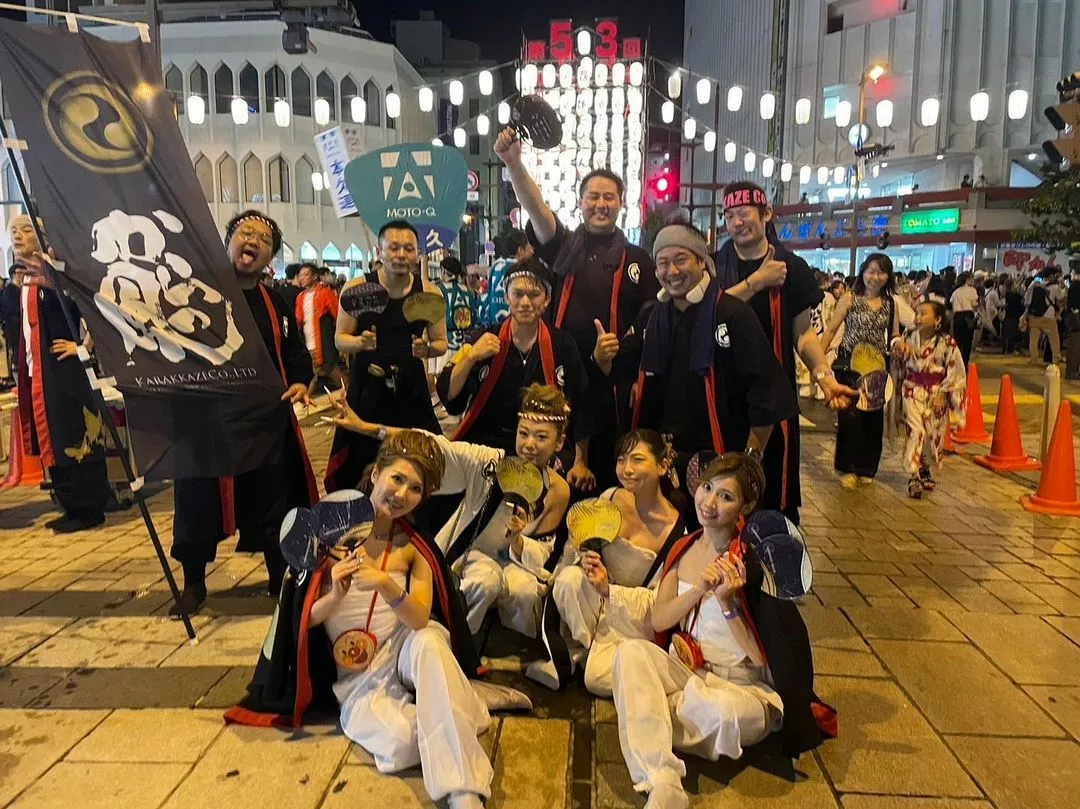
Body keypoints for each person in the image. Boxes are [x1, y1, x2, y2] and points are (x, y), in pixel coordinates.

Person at [226, 430, 490, 809]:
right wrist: (335, 594)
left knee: (432, 641)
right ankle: (456, 711)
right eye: (397, 478)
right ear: (376, 472)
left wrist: (385, 583)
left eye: (415, 488)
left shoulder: (415, 548)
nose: (402, 494)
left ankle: (465, 791)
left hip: (405, 649)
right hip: (359, 678)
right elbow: (302, 622)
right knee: (400, 744)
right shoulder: (326, 535)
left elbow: (419, 618)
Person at [608, 453, 833, 808]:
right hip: (687, 670)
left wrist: (728, 603)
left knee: (724, 715)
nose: (709, 502)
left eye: (725, 496)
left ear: (746, 506)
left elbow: (761, 658)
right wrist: (699, 589)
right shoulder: (683, 546)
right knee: (631, 652)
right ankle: (662, 779)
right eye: (707, 488)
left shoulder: (754, 561)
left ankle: (649, 717)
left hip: (739, 688)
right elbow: (660, 620)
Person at [332, 383, 572, 639]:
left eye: (541, 437)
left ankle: (508, 642)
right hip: (472, 557)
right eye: (523, 433)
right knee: (486, 581)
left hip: (517, 561)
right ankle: (458, 639)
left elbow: (543, 549)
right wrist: (366, 427)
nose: (529, 444)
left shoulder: (558, 490)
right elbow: (430, 444)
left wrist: (518, 541)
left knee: (526, 592)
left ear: (558, 442)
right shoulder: (489, 463)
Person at [598, 223, 798, 526]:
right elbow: (618, 370)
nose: (672, 271)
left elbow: (766, 394)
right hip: (663, 461)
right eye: (663, 263)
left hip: (718, 458)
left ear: (702, 261)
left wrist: (748, 462)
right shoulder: (651, 316)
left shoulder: (732, 314)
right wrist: (601, 356)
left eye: (681, 260)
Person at [495, 126, 660, 492]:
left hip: (613, 382)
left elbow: (650, 320)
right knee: (555, 469)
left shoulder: (638, 259)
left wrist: (622, 362)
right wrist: (513, 163)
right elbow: (537, 208)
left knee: (610, 473)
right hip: (561, 372)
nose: (601, 204)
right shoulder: (563, 247)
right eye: (593, 196)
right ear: (581, 202)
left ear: (621, 203)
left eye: (609, 197)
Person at [171, 211, 318, 615]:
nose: (252, 241)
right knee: (197, 505)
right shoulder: (195, 293)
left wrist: (300, 381)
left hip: (264, 422)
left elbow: (295, 353)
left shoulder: (276, 302)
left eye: (264, 239)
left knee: (274, 502)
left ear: (270, 256)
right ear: (228, 241)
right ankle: (194, 584)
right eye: (245, 232)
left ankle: (279, 577)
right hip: (206, 426)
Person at [711, 182, 856, 522]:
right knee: (719, 487)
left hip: (774, 398)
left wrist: (824, 377)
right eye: (729, 216)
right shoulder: (714, 266)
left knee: (773, 489)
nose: (736, 223)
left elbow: (802, 335)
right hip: (722, 395)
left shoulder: (791, 267)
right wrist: (757, 281)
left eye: (744, 213)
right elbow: (707, 315)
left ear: (766, 214)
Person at [528, 429, 686, 691]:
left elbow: (660, 603)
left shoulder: (676, 532)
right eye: (621, 460)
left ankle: (583, 660)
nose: (627, 469)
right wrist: (584, 558)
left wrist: (609, 591)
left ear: (662, 466)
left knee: (597, 680)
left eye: (637, 460)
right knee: (568, 579)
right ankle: (583, 650)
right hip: (592, 605)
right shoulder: (611, 497)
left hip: (630, 618)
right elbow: (576, 546)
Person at [325, 220, 448, 492]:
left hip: (411, 388)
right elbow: (339, 339)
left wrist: (427, 349)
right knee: (360, 458)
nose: (401, 255)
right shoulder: (358, 289)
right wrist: (360, 342)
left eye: (408, 249)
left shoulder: (429, 293)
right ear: (379, 252)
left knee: (419, 455)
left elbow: (441, 343)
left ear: (417, 254)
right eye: (394, 248)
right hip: (367, 386)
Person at [7, 214, 110, 532]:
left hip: (64, 370)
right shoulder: (21, 280)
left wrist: (83, 348)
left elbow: (95, 307)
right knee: (52, 436)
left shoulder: (60, 272)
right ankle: (70, 503)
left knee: (74, 432)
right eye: (13, 231)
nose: (18, 236)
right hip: (37, 372)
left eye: (26, 230)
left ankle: (89, 507)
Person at [437, 258, 592, 461]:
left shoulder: (563, 344)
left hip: (540, 451)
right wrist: (471, 357)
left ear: (546, 299)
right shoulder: (484, 338)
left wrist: (581, 461)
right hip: (486, 448)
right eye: (517, 294)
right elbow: (450, 396)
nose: (525, 303)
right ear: (506, 297)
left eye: (534, 295)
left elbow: (581, 404)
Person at [821, 253, 901, 489]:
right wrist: (819, 362)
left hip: (876, 368)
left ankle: (867, 468)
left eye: (881, 272)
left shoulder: (891, 303)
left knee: (872, 420)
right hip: (849, 365)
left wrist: (898, 344)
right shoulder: (850, 298)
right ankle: (847, 468)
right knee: (849, 419)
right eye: (870, 271)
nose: (875, 277)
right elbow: (831, 329)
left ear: (888, 276)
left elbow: (894, 334)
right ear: (863, 272)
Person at [897, 300, 966, 499]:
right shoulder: (908, 336)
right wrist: (899, 353)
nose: (918, 318)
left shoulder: (947, 343)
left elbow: (956, 372)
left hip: (935, 393)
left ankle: (924, 466)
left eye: (923, 314)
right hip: (911, 390)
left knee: (930, 434)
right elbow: (899, 364)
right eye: (917, 313)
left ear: (937, 320)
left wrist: (944, 393)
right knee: (915, 431)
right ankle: (913, 475)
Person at [294, 262, 346, 397]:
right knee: (318, 372)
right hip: (308, 343)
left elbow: (338, 316)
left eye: (306, 274)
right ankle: (349, 393)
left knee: (325, 370)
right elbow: (298, 320)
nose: (302, 278)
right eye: (300, 275)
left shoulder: (325, 293)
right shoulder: (300, 297)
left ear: (315, 276)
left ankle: (350, 393)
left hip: (323, 343)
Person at [482, 230, 533, 327]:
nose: (532, 252)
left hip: (493, 327)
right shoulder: (520, 271)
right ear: (520, 250)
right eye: (528, 248)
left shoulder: (495, 268)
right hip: (512, 329)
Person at [438, 254, 482, 359]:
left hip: (446, 345)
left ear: (443, 271)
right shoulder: (469, 292)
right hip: (465, 345)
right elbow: (475, 319)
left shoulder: (439, 289)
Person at [1024, 272, 1062, 364]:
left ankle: (1033, 359)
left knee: (1033, 339)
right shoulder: (1055, 287)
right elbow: (1060, 298)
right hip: (1049, 316)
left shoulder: (1032, 285)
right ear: (1051, 276)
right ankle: (1056, 358)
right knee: (1054, 339)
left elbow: (1026, 301)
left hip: (1034, 316)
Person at [949, 272, 979, 366]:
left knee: (958, 341)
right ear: (967, 279)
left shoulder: (956, 291)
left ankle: (957, 361)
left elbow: (951, 303)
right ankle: (965, 362)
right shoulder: (972, 290)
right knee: (968, 341)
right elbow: (974, 304)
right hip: (968, 315)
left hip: (957, 316)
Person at [1002, 278, 1024, 354]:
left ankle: (1005, 349)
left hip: (1008, 315)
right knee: (1012, 333)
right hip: (1014, 316)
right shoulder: (1014, 296)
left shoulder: (1005, 294)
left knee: (1006, 333)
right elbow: (1020, 300)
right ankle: (1010, 349)